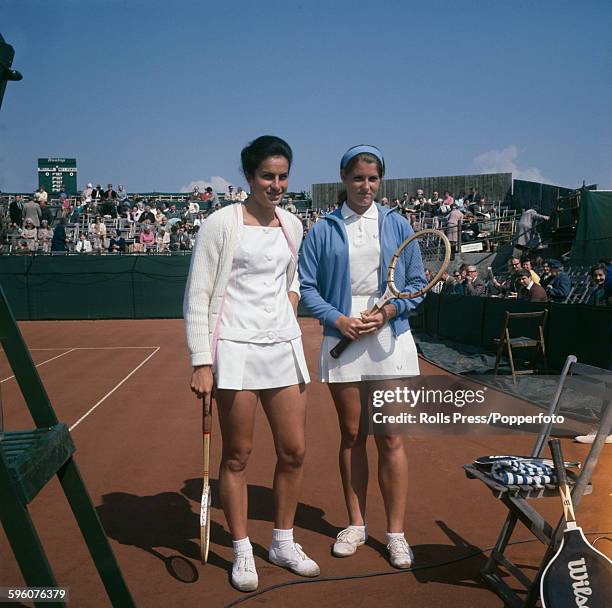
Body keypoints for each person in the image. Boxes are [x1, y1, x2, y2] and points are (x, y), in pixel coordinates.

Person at [184, 135, 318, 592]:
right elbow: (198, 295)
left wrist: (292, 301)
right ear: (248, 177)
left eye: (283, 176)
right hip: (235, 349)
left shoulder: (293, 225)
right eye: (267, 176)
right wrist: (203, 362)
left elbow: (293, 275)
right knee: (238, 455)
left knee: (294, 450)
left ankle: (282, 541)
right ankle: (242, 547)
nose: (276, 184)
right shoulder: (219, 225)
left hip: (283, 346)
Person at [300, 144, 426, 571]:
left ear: (380, 181)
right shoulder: (322, 229)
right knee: (352, 435)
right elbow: (308, 287)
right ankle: (356, 525)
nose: (365, 186)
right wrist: (340, 320)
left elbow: (416, 283)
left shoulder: (399, 223)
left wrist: (390, 310)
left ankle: (396, 534)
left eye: (372, 179)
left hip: (390, 339)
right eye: (358, 178)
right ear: (343, 178)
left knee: (391, 438)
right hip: (344, 335)